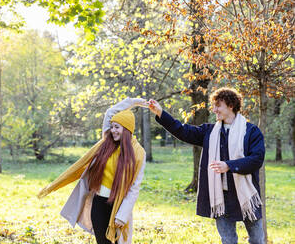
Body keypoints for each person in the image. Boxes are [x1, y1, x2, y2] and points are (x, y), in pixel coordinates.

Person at [147, 87, 265, 244]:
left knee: (257, 240)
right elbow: (183, 131)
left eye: (218, 105)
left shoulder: (251, 131)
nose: (214, 109)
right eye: (214, 105)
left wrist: (229, 165)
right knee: (228, 241)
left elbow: (257, 159)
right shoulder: (209, 131)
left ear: (230, 105)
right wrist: (161, 113)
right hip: (220, 197)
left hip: (246, 196)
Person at [38, 98, 148, 244]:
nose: (113, 130)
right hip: (99, 203)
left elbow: (134, 187)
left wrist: (122, 215)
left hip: (117, 206)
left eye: (117, 127)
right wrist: (133, 102)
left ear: (127, 130)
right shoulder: (106, 142)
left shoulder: (138, 153)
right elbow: (110, 112)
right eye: (112, 126)